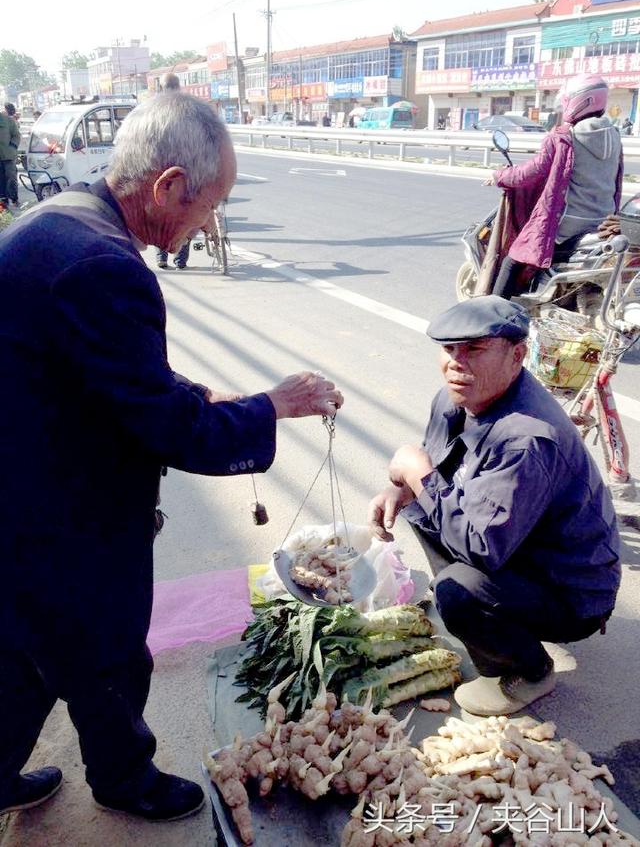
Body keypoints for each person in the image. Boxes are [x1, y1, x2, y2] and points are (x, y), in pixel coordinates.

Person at [0, 91, 344, 821]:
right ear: (168, 187)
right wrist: (269, 406)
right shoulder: (105, 266)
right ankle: (125, 778)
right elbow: (167, 427)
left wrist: (195, 391)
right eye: (206, 205)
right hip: (60, 504)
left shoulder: (59, 220)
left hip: (21, 476)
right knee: (109, 647)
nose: (206, 223)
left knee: (24, 649)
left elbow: (106, 369)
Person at [367, 296, 620, 717]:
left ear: (517, 355)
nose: (455, 363)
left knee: (457, 591)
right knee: (422, 510)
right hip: (519, 543)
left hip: (573, 589)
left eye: (474, 350)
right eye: (449, 350)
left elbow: (480, 545)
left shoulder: (527, 438)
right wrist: (403, 489)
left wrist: (417, 475)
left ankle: (531, 671)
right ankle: (492, 616)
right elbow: (439, 473)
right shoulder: (457, 398)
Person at [490, 74, 623, 299]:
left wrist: (499, 176)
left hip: (567, 226)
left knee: (512, 259)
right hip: (601, 224)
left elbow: (531, 171)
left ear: (580, 101)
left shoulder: (563, 137)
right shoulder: (615, 135)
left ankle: (490, 317)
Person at [155, 73, 190, 270]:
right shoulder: (189, 108)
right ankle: (180, 259)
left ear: (162, 88)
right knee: (185, 213)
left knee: (162, 214)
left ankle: (162, 257)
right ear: (178, 87)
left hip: (161, 169)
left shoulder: (153, 110)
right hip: (185, 169)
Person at [0, 106, 20, 208]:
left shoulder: (8, 121)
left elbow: (16, 135)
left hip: (8, 155)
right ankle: (3, 200)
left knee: (11, 178)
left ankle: (14, 198)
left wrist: (13, 146)